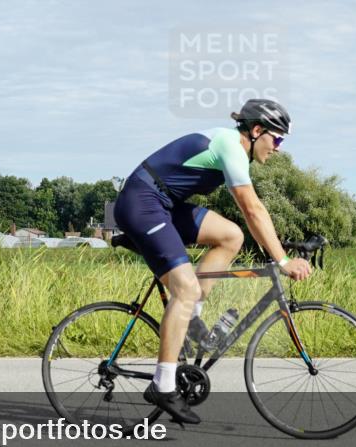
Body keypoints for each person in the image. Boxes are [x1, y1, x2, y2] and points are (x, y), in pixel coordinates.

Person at [113, 99, 312, 424]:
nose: (278, 148)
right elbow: (253, 209)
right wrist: (283, 260)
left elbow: (249, 222)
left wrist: (279, 247)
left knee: (231, 236)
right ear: (257, 130)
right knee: (186, 290)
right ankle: (163, 385)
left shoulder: (233, 149)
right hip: (142, 203)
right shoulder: (230, 147)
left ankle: (193, 319)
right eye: (277, 139)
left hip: (162, 204)